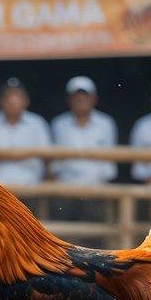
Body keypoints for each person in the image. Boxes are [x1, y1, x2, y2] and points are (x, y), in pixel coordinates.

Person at [50, 76, 117, 221]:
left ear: (94, 99)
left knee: (96, 231)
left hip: (96, 190)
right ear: (69, 100)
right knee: (62, 231)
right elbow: (54, 163)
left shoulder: (106, 124)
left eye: (85, 96)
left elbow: (109, 165)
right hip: (65, 190)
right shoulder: (58, 124)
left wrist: (103, 189)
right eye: (76, 96)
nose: (81, 99)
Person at [0, 78, 51, 187]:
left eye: (17, 96)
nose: (12, 101)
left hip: (31, 188)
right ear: (0, 101)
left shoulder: (37, 124)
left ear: (26, 101)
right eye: (8, 96)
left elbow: (47, 158)